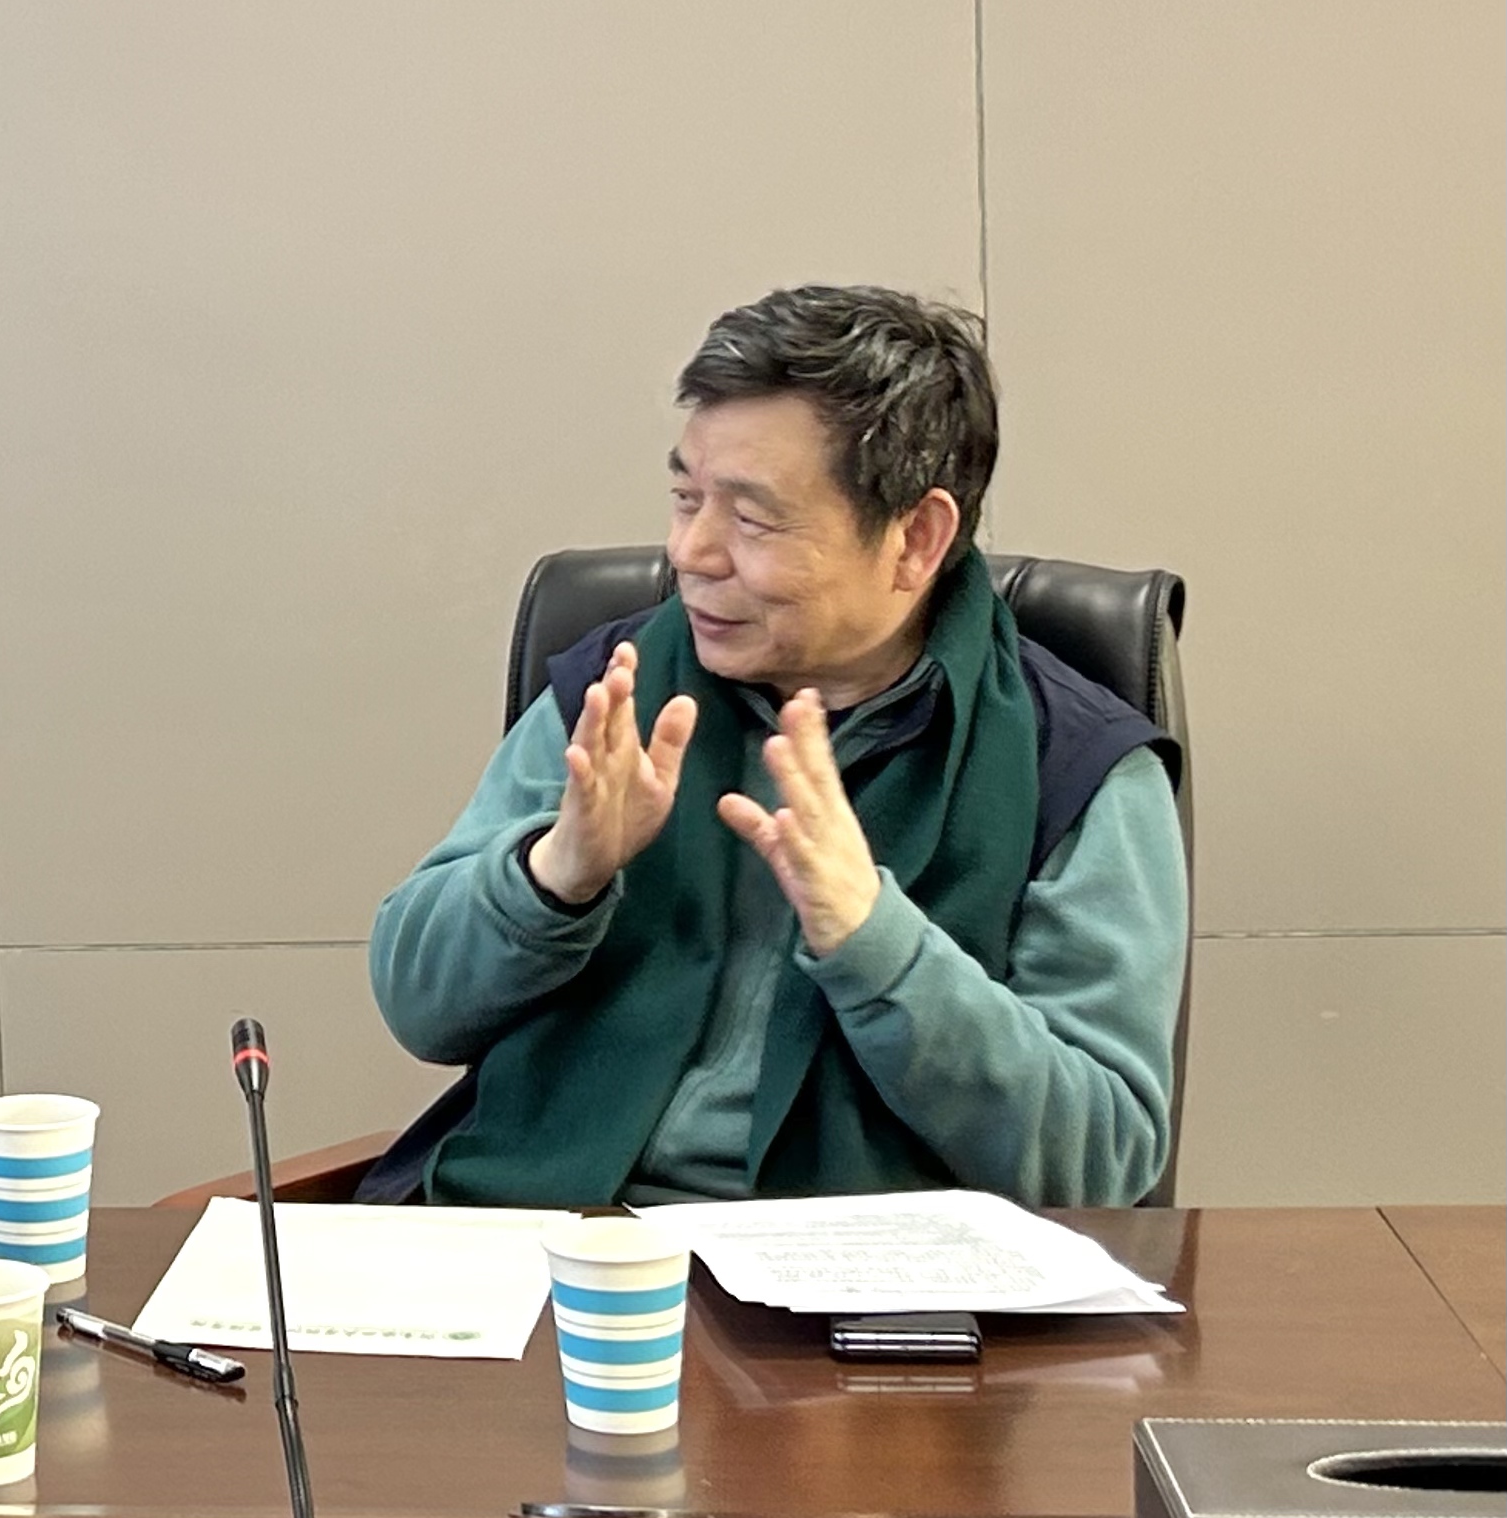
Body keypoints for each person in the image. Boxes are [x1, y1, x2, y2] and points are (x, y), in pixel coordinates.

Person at [363, 287, 1185, 1209]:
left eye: (751, 520)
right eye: (685, 498)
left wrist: (874, 940)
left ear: (915, 539)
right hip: (540, 1234)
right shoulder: (617, 687)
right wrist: (554, 873)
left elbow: (1100, 1159)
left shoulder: (1073, 763)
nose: (691, 551)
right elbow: (416, 1006)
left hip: (844, 1275)